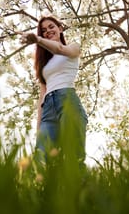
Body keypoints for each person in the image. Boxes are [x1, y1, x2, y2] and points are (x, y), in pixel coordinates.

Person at [19, 16, 88, 167]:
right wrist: (39, 126)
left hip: (67, 99)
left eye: (51, 27)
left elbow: (60, 48)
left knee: (73, 156)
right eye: (43, 31)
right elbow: (42, 95)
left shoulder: (73, 47)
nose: (48, 31)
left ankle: (83, 189)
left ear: (60, 28)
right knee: (42, 157)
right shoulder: (45, 64)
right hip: (48, 108)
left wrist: (37, 40)